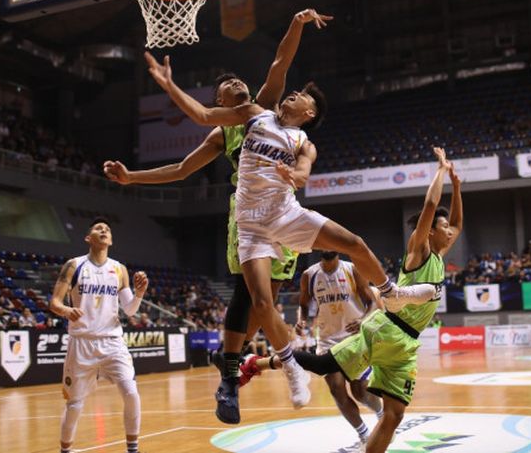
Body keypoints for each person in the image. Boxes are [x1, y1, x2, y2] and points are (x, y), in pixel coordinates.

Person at [143, 50, 437, 425]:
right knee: (260, 301)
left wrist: (293, 177)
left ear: (309, 113)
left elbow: (302, 173)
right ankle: (287, 366)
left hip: (285, 214)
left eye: (301, 96)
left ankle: (391, 294)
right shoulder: (253, 114)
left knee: (355, 244)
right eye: (293, 92)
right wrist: (169, 85)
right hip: (248, 223)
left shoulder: (302, 140)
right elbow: (205, 115)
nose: (292, 95)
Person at [104, 8, 331, 425]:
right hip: (246, 215)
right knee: (251, 299)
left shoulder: (265, 106)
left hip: (282, 211)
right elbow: (179, 170)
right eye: (226, 84)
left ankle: (230, 359)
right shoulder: (222, 130)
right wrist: (131, 177)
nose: (236, 82)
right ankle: (231, 379)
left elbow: (281, 61)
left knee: (264, 308)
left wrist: (295, 23)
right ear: (219, 102)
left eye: (237, 78)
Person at [242, 148, 462, 453]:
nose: (450, 231)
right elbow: (429, 204)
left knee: (395, 415)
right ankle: (257, 363)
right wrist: (440, 171)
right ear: (430, 233)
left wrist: (458, 186)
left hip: (407, 343)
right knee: (323, 368)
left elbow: (459, 223)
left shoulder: (441, 253)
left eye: (449, 228)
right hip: (385, 329)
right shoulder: (419, 251)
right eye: (443, 227)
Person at [49, 218, 149, 453]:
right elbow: (54, 301)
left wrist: (140, 293)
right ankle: (66, 450)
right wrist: (65, 310)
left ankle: (133, 449)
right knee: (74, 404)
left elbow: (130, 310)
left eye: (107, 229)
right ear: (88, 238)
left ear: (111, 240)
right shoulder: (74, 266)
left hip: (113, 342)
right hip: (81, 343)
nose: (103, 230)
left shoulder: (119, 269)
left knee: (131, 393)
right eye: (98, 228)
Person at [298, 251, 383, 446]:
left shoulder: (352, 270)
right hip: (328, 340)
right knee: (337, 389)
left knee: (360, 392)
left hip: (353, 339)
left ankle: (381, 413)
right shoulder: (309, 275)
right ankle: (363, 434)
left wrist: (362, 320)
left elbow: (372, 304)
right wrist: (302, 320)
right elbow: (304, 304)